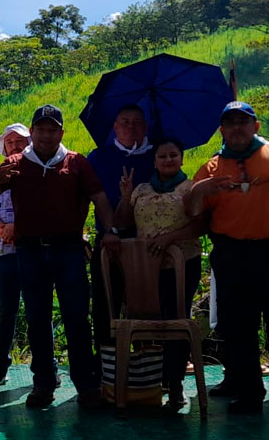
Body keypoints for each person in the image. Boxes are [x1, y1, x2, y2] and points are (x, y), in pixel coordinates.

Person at [0, 104, 119, 408]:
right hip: (29, 251)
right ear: (31, 133)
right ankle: (43, 384)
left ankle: (86, 386)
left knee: (77, 318)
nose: (46, 135)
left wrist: (109, 230)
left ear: (61, 132)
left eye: (52, 129)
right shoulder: (16, 163)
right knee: (37, 318)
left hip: (69, 249)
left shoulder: (77, 162)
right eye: (40, 129)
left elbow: (99, 198)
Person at [187, 101, 269, 414]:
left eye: (243, 122)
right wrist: (200, 190)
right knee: (239, 327)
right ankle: (249, 394)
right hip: (231, 254)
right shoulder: (211, 167)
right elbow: (192, 213)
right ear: (222, 129)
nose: (237, 128)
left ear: (255, 126)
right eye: (230, 123)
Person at [114, 137, 204, 410]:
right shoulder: (140, 189)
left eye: (173, 155)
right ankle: (149, 387)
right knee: (145, 321)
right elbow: (122, 223)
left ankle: (175, 387)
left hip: (182, 264)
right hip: (144, 268)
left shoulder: (191, 188)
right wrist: (124, 197)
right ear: (154, 161)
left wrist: (169, 239)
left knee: (177, 322)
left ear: (182, 159)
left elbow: (200, 225)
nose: (168, 160)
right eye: (163, 156)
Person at [0, 123, 46, 387]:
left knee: (37, 311)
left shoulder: (40, 170)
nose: (15, 146)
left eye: (20, 141)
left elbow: (47, 206)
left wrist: (20, 228)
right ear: (3, 148)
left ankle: (44, 368)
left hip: (35, 251)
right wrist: (3, 229)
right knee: (5, 312)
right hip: (2, 252)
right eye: (10, 143)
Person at [87, 104, 155, 353]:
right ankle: (108, 369)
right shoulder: (98, 157)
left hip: (149, 245)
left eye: (137, 121)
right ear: (114, 127)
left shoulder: (157, 155)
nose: (130, 126)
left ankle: (147, 370)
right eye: (124, 121)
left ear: (145, 126)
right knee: (106, 306)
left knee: (147, 307)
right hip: (108, 242)